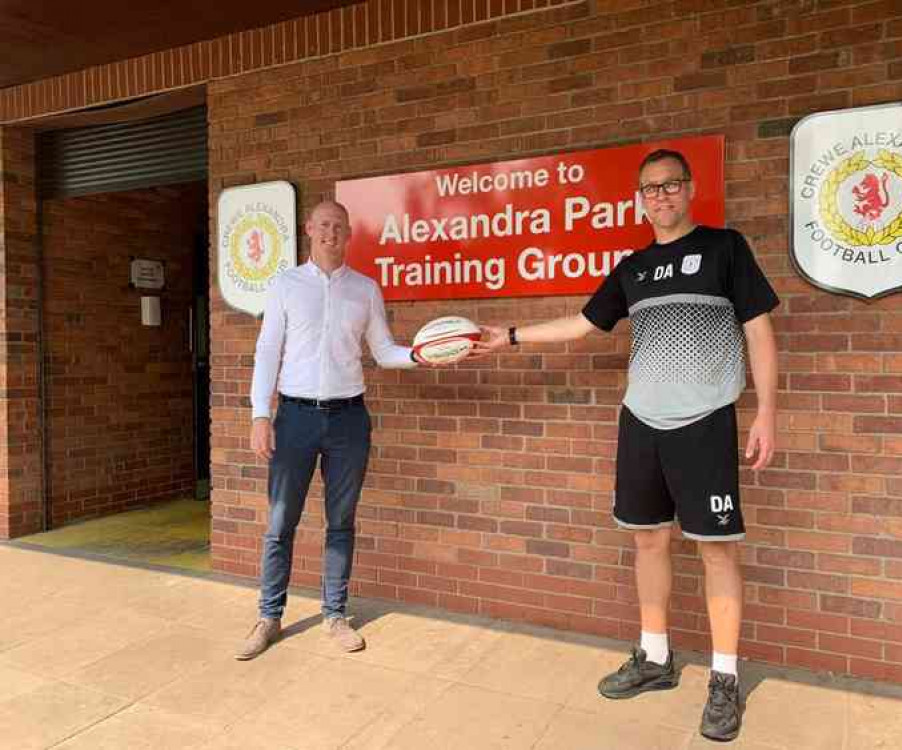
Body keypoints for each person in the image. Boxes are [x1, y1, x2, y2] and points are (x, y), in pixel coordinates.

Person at [476, 149, 778, 742]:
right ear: (639, 199)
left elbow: (759, 331)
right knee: (647, 541)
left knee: (717, 550)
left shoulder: (725, 248)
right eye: (649, 189)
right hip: (640, 421)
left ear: (689, 190)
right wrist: (507, 337)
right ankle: (656, 657)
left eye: (670, 185)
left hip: (705, 421)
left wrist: (767, 411)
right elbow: (584, 324)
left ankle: (723, 678)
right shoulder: (632, 268)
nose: (660, 196)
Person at [236, 200, 423, 660]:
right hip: (295, 417)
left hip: (348, 420)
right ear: (308, 230)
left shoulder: (364, 290)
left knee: (341, 523)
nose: (330, 233)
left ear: (348, 233)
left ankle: (335, 614)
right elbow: (267, 352)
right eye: (323, 225)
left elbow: (382, 350)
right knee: (281, 522)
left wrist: (423, 354)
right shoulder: (285, 285)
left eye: (338, 226)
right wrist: (261, 414)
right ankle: (268, 616)